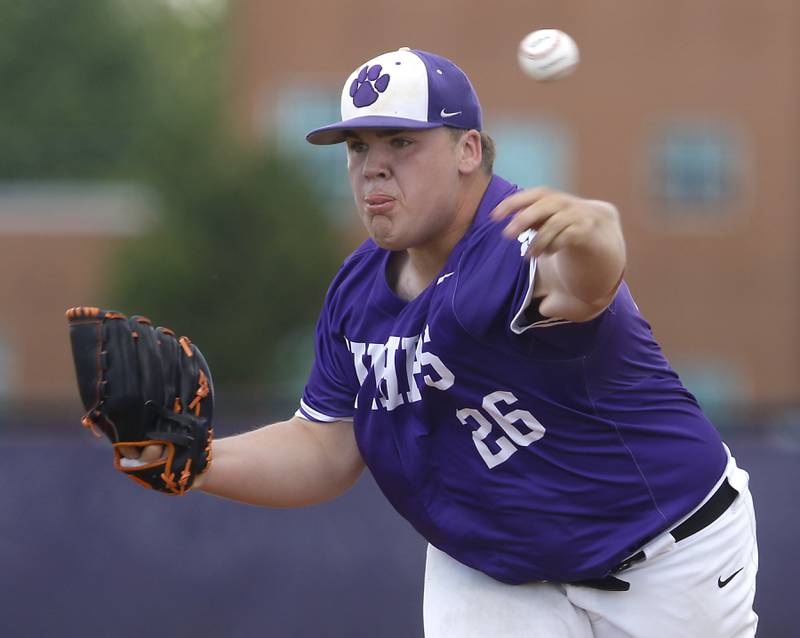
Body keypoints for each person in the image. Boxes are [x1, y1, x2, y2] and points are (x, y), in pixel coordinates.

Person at [126, 48, 758, 637]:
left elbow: (583, 286)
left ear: (467, 150)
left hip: (667, 554)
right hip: (494, 567)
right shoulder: (356, 291)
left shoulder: (515, 240)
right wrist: (199, 462)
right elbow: (325, 446)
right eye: (356, 144)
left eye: (401, 141)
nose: (372, 164)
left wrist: (600, 234)